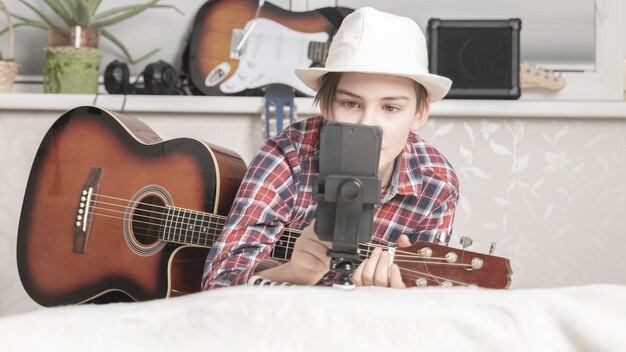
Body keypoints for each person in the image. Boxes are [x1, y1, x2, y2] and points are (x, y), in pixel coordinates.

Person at [202, 7, 458, 290]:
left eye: (390, 107)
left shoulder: (437, 182)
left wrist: (396, 297)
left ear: (419, 113)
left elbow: (430, 303)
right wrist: (295, 273)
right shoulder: (288, 156)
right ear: (325, 104)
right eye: (351, 104)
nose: (367, 125)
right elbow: (219, 282)